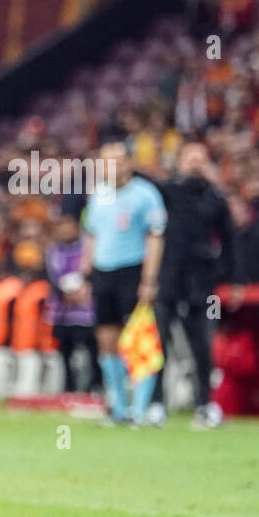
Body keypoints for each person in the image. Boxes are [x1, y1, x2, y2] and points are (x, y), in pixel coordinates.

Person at [150, 141, 238, 428]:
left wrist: (230, 278)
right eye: (190, 157)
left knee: (202, 347)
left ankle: (205, 405)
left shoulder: (216, 199)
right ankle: (156, 404)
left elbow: (230, 241)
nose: (195, 163)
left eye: (201, 158)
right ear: (180, 161)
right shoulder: (167, 192)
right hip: (168, 282)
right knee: (159, 345)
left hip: (203, 287)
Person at [79, 141, 167, 425]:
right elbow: (92, 235)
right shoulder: (97, 195)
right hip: (104, 273)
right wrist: (85, 273)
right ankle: (117, 407)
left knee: (139, 340)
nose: (110, 167)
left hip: (132, 270)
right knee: (106, 340)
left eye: (116, 160)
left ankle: (140, 410)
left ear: (129, 163)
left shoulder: (145, 194)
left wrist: (149, 280)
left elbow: (155, 237)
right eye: (105, 161)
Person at [45, 213, 98, 393]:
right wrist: (63, 293)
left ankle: (95, 386)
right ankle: (68, 386)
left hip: (87, 310)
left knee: (93, 348)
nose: (65, 230)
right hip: (62, 310)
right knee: (64, 350)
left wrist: (85, 288)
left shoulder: (88, 248)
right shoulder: (53, 251)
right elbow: (51, 276)